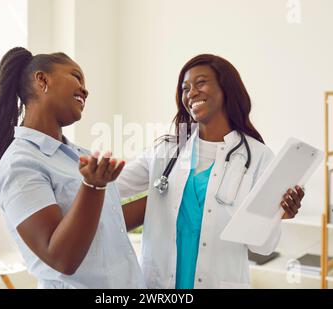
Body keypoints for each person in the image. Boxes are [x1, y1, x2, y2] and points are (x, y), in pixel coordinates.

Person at [115, 54, 305, 289]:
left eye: (201, 83)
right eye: (185, 88)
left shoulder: (258, 156)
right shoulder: (166, 151)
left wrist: (277, 216)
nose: (191, 93)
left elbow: (262, 247)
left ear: (226, 89)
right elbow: (113, 184)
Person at [0, 47, 145, 289]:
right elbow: (60, 257)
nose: (86, 89)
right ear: (42, 80)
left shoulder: (80, 156)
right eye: (76, 76)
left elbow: (108, 220)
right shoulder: (19, 164)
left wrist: (171, 196)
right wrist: (93, 186)